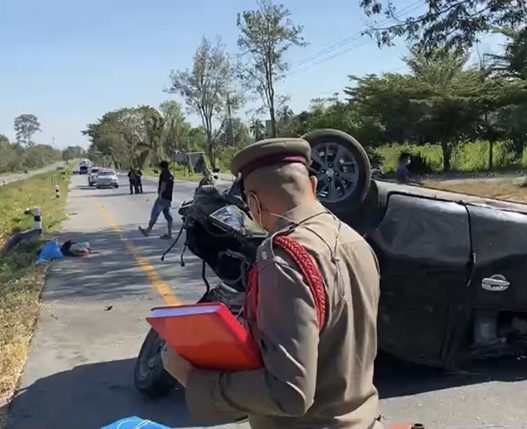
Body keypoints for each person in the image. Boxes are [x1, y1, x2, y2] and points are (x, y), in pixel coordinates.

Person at [161, 138, 383, 429]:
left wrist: (192, 378)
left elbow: (289, 393)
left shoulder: (282, 260)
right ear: (312, 185)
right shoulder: (355, 241)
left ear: (253, 202)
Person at [139, 161, 173, 239]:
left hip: (163, 197)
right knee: (168, 216)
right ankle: (169, 233)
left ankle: (148, 231)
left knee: (155, 213)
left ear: (161, 167)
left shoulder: (164, 174)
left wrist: (160, 195)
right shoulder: (170, 175)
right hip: (168, 198)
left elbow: (163, 184)